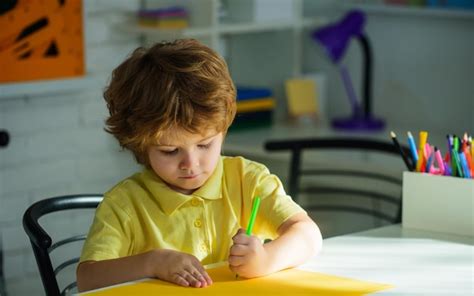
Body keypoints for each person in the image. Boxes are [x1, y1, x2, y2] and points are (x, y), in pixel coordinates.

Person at [76, 38, 322, 292]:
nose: (190, 164)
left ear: (222, 132)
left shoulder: (246, 179)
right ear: (141, 146)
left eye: (204, 145)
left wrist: (265, 260)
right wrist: (153, 262)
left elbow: (308, 235)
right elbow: (87, 279)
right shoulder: (124, 205)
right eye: (170, 151)